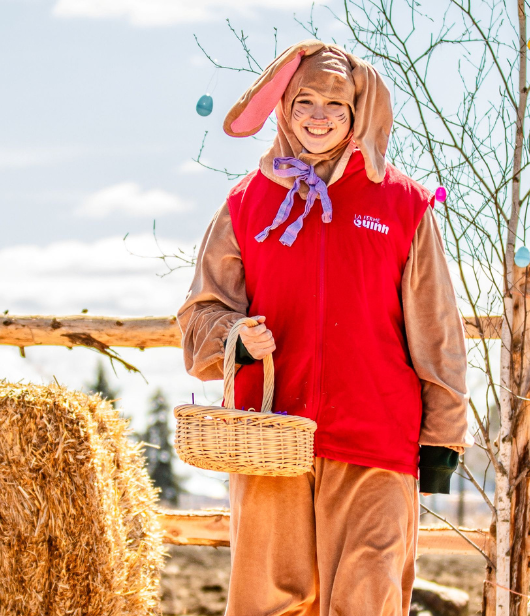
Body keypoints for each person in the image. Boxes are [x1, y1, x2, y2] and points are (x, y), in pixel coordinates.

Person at [178, 40, 468, 615]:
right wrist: (234, 338)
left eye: (335, 104)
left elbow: (437, 331)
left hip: (376, 438)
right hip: (270, 440)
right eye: (304, 100)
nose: (317, 116)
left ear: (358, 113)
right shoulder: (244, 204)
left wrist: (441, 440)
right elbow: (199, 317)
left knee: (368, 599)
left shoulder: (402, 203)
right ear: (283, 107)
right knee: (269, 605)